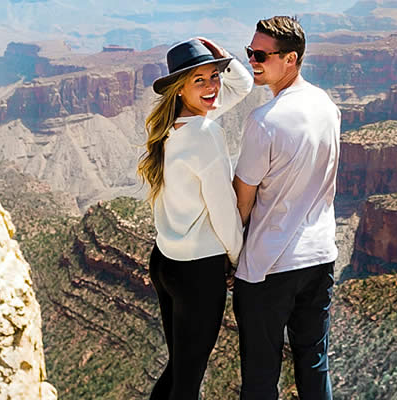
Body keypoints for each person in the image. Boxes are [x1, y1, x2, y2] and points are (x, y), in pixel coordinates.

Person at [232, 16, 340, 400]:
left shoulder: (264, 122)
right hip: (321, 256)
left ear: (290, 58)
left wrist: (231, 256)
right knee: (314, 363)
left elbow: (243, 198)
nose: (252, 61)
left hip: (269, 267)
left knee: (261, 375)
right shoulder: (328, 106)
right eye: (250, 53)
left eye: (260, 54)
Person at [138, 37, 252, 400]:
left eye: (213, 76)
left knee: (179, 371)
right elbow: (223, 209)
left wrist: (222, 60)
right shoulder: (205, 134)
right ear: (179, 89)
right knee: (188, 381)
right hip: (197, 273)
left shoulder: (172, 126)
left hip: (165, 263)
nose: (212, 86)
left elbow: (241, 86)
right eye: (198, 80)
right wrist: (237, 257)